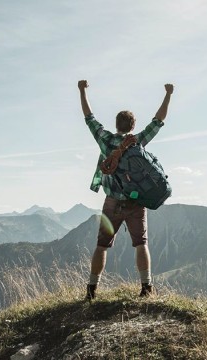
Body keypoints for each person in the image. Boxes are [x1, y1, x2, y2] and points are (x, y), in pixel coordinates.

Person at [78, 79, 173, 300]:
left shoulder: (104, 140)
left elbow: (88, 117)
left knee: (102, 246)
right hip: (136, 202)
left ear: (116, 124)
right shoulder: (136, 142)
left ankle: (92, 290)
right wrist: (168, 94)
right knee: (141, 244)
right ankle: (146, 287)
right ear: (132, 126)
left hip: (111, 202)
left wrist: (82, 90)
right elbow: (158, 121)